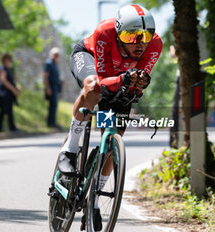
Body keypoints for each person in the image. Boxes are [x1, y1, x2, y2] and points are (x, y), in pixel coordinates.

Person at [58, 4, 162, 230]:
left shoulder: (155, 45)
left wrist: (137, 85)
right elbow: (104, 82)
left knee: (113, 137)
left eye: (145, 36)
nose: (140, 43)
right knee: (93, 87)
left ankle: (93, 201)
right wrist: (125, 80)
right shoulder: (104, 33)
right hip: (91, 61)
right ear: (118, 32)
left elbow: (137, 86)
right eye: (131, 36)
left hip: (120, 78)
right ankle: (70, 149)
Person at [0, 54, 19, 132]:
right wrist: (13, 89)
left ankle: (12, 128)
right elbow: (3, 80)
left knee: (9, 111)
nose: (8, 62)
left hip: (8, 94)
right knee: (3, 111)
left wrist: (15, 88)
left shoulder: (8, 69)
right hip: (4, 93)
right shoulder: (3, 69)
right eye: (7, 60)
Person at [44, 47, 62, 129]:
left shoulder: (55, 64)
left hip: (55, 87)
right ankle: (50, 123)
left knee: (54, 105)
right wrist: (48, 88)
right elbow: (45, 76)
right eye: (55, 55)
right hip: (51, 87)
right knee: (52, 105)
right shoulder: (49, 63)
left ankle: (52, 122)